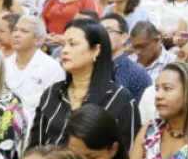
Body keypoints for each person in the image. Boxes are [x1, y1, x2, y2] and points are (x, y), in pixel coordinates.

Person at [27, 18, 139, 150]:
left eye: (73, 44)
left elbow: (125, 157)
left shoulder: (121, 100)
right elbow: (35, 148)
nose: (64, 51)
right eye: (63, 45)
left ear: (96, 50)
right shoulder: (53, 93)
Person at [4, 16, 64, 116]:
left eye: (24, 31)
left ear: (38, 40)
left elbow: (53, 105)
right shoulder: (5, 64)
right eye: (15, 30)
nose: (17, 35)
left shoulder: (51, 68)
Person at [100, 14, 151, 102]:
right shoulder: (90, 68)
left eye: (109, 31)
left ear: (123, 38)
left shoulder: (137, 74)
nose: (102, 35)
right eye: (99, 31)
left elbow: (143, 111)